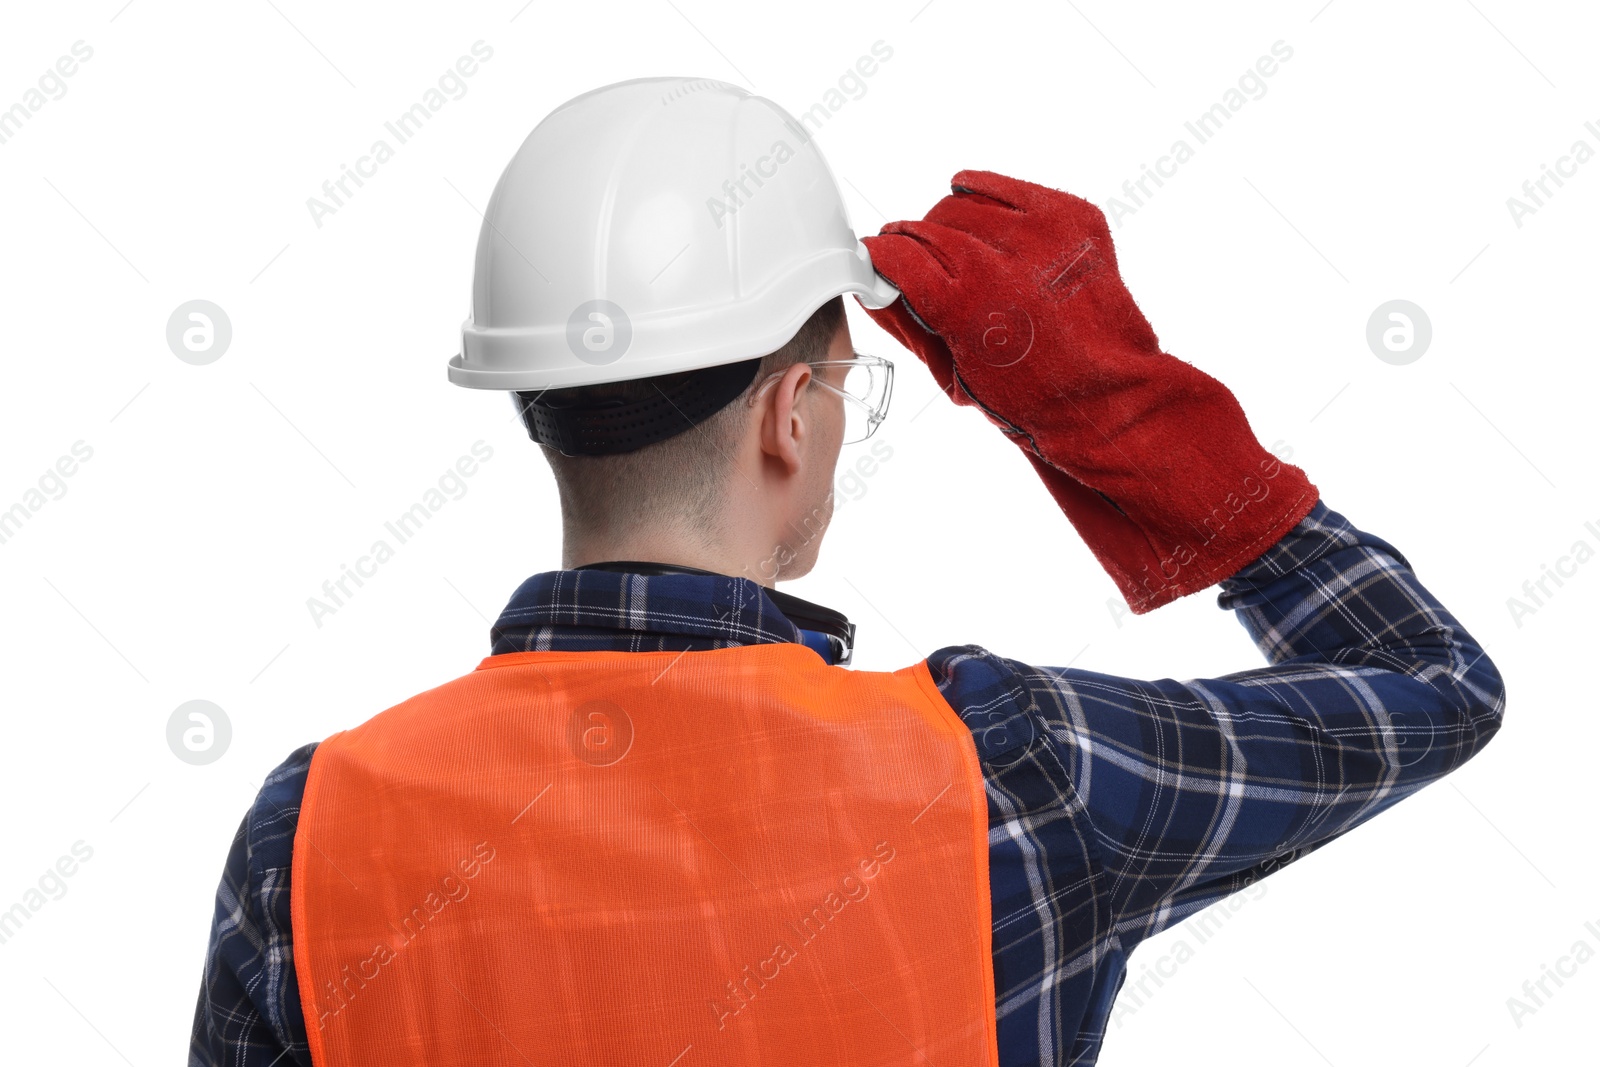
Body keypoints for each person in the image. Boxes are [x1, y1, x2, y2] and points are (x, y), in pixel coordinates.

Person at [190, 78, 1506, 1067]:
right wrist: (1120, 420)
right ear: (793, 413)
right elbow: (1434, 685)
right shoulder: (1014, 770)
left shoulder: (312, 832)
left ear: (539, 404)